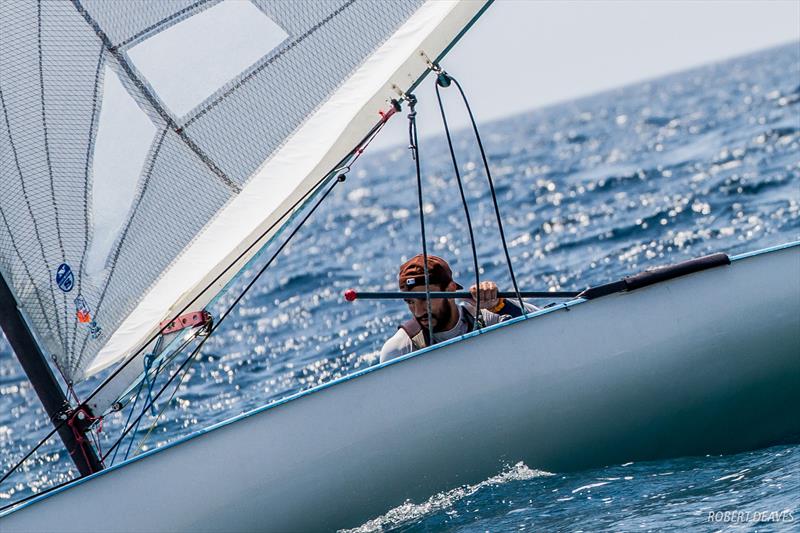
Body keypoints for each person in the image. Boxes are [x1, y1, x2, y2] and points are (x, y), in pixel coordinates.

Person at [379, 254, 537, 363]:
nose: (419, 311)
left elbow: (543, 325)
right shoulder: (398, 350)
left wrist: (499, 304)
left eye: (425, 299)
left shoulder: (487, 316)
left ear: (450, 290)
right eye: (410, 302)